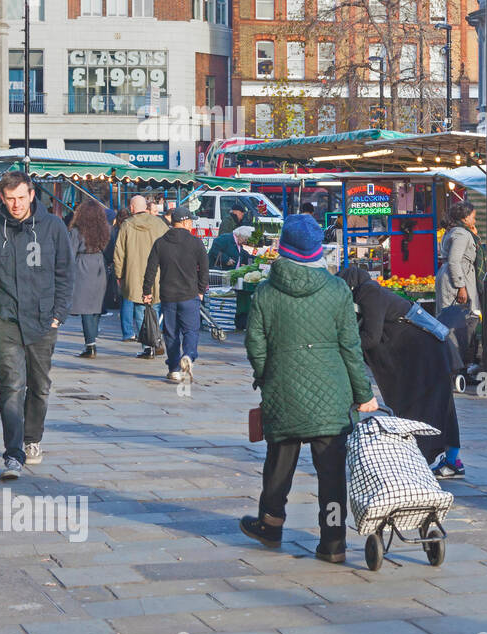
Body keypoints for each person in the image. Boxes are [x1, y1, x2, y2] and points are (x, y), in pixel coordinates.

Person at [240, 215, 377, 564]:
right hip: (332, 394)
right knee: (331, 474)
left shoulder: (265, 292)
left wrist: (266, 376)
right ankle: (333, 542)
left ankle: (270, 525)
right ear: (318, 251)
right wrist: (364, 394)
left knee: (279, 463)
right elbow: (351, 347)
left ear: (283, 249)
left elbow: (255, 342)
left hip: (283, 390)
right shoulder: (336, 290)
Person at [0, 172, 74, 479]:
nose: (16, 205)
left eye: (21, 198)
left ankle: (32, 438)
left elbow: (65, 272)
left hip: (42, 319)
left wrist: (57, 314)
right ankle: (13, 454)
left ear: (32, 194)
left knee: (40, 386)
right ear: (2, 197)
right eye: (9, 199)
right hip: (4, 320)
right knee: (11, 386)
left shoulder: (53, 227)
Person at [341, 267, 464, 479]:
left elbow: (371, 336)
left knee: (420, 408)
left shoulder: (369, 293)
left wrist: (339, 343)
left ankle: (418, 464)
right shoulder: (370, 292)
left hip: (425, 356)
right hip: (427, 353)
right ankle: (451, 462)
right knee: (439, 406)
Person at [143, 207, 209, 384]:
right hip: (190, 295)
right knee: (191, 330)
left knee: (171, 333)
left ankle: (173, 369)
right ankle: (188, 355)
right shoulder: (196, 243)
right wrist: (201, 290)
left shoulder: (160, 242)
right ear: (186, 222)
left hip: (168, 295)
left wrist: (146, 291)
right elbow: (204, 269)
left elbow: (150, 269)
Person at [114, 194, 168, 355]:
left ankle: (147, 346)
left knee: (139, 308)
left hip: (134, 273)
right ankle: (156, 339)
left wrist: (119, 274)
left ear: (132, 208)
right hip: (157, 273)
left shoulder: (126, 225)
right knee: (155, 306)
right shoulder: (160, 224)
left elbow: (119, 253)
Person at [68, 200, 110, 359]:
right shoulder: (104, 230)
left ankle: (90, 344)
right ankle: (93, 337)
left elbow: (70, 252)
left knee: (85, 306)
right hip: (99, 264)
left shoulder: (77, 231)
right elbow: (109, 248)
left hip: (83, 265)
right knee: (96, 304)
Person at [435, 202, 480, 313]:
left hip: (448, 275)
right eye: (473, 217)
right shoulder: (461, 234)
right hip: (456, 279)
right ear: (465, 218)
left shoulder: (452, 231)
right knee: (455, 318)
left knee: (448, 316)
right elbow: (454, 261)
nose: (475, 221)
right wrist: (461, 287)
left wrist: (473, 235)